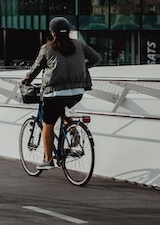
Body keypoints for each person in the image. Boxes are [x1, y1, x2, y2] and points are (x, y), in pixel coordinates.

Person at [21, 17, 101, 170]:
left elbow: (35, 69)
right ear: (69, 31)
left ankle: (48, 159)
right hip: (77, 92)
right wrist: (83, 66)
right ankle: (71, 128)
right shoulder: (79, 44)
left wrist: (25, 80)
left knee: (48, 124)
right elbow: (96, 58)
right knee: (61, 110)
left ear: (52, 32)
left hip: (54, 93)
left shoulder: (47, 48)